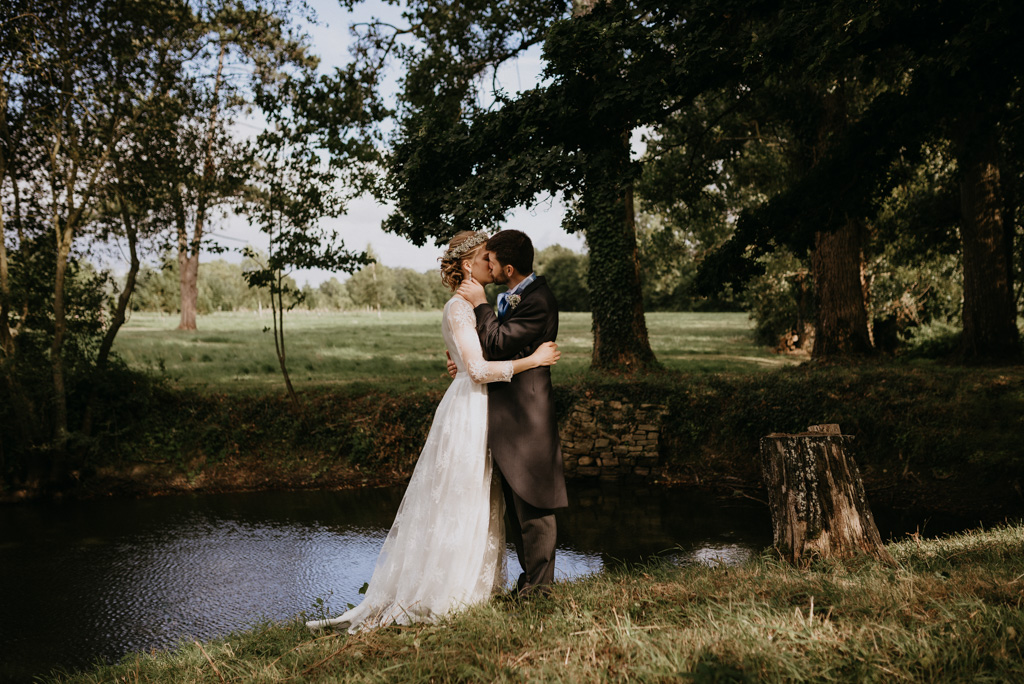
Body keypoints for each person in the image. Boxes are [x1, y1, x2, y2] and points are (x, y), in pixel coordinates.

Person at [305, 230, 560, 634]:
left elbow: (483, 351)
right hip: (474, 408)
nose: (489, 264)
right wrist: (532, 360)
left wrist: (467, 361)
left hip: (490, 408)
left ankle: (496, 587)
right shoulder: (464, 306)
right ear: (467, 265)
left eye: (493, 259)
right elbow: (479, 364)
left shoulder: (493, 302)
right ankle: (449, 590)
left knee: (476, 500)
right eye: (484, 258)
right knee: (460, 498)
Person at [455, 229, 567, 597]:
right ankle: (529, 582)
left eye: (489, 260)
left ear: (507, 268)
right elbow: (491, 352)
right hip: (505, 412)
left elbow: (498, 341)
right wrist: (464, 362)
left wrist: (480, 304)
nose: (484, 265)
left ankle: (541, 590)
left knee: (535, 501)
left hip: (527, 415)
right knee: (515, 506)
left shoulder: (538, 301)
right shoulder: (512, 295)